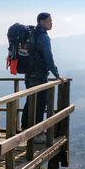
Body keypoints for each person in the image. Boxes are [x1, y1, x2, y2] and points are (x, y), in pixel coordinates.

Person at [21, 12, 65, 143]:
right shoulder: (43, 37)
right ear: (41, 21)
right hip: (39, 76)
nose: (52, 23)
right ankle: (38, 134)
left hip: (29, 74)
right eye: (49, 20)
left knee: (31, 101)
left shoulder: (32, 34)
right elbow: (48, 58)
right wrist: (57, 75)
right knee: (40, 103)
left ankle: (25, 128)